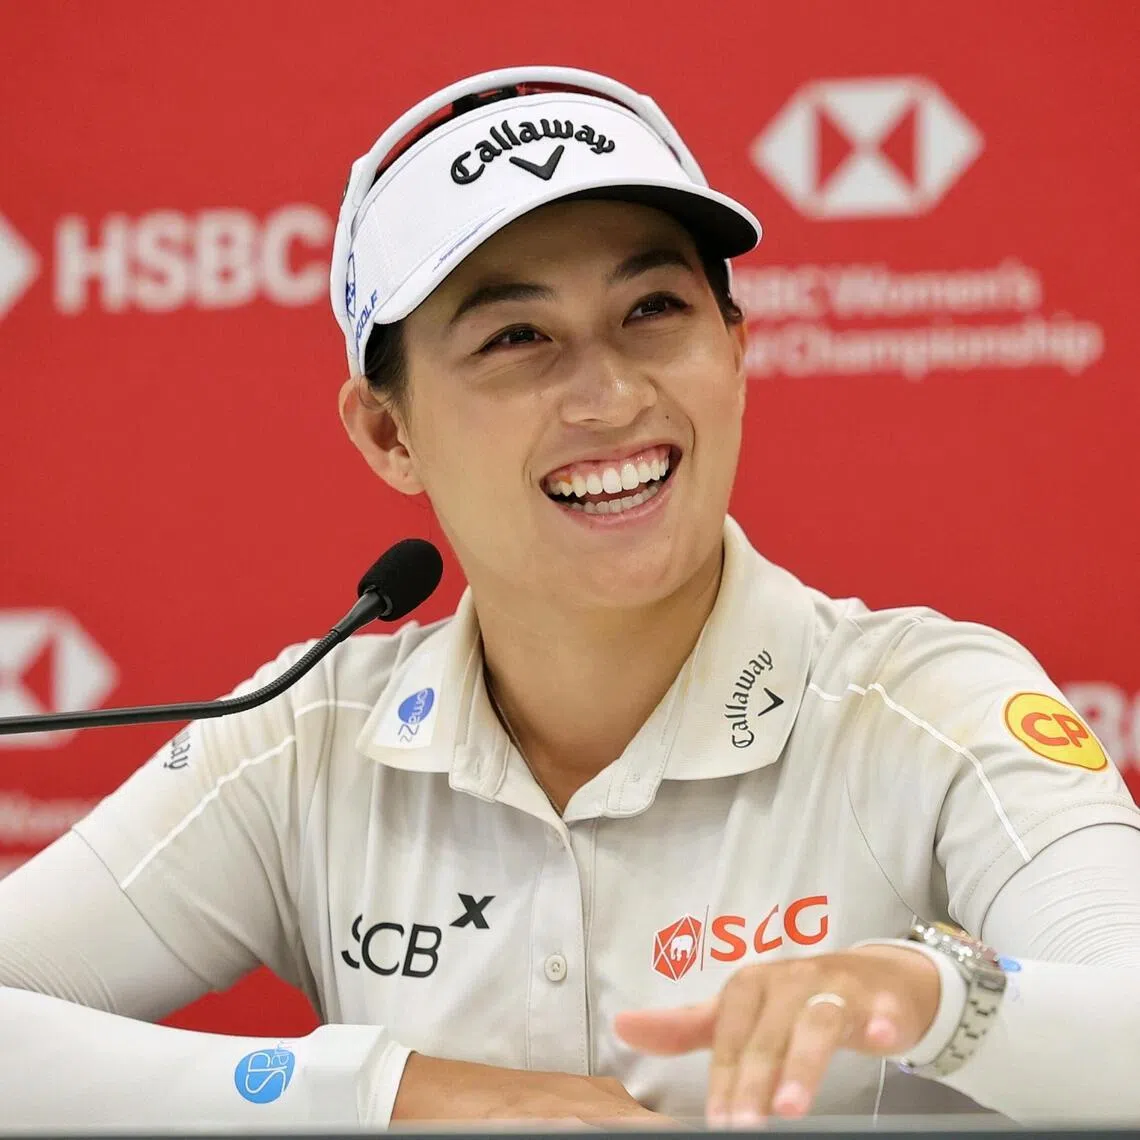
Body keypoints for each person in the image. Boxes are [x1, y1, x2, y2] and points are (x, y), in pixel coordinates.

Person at [1, 64, 1139, 1131]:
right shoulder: (305, 742)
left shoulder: (928, 706)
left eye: (653, 311)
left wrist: (938, 996)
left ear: (734, 349)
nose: (607, 393)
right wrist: (386, 1094)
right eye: (517, 337)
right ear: (389, 433)